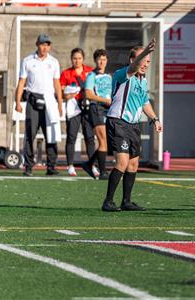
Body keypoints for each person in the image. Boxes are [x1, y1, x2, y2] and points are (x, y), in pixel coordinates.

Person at [102, 39, 162, 212]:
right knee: (122, 161)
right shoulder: (123, 74)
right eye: (143, 60)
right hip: (118, 122)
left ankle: (126, 201)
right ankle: (108, 201)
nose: (145, 64)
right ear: (133, 60)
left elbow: (144, 103)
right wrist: (144, 54)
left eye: (148, 61)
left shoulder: (142, 82)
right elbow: (134, 67)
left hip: (133, 125)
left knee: (133, 165)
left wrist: (155, 119)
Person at [15, 34, 63, 176]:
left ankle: (51, 167)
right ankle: (28, 167)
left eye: (47, 44)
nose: (44, 47)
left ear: (49, 46)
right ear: (37, 44)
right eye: (42, 44)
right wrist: (18, 102)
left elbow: (57, 84)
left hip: (49, 100)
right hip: (33, 100)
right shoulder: (28, 61)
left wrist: (59, 103)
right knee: (30, 133)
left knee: (51, 133)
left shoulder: (54, 62)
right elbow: (22, 82)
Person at [60, 48, 96, 178]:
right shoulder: (66, 73)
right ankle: (70, 165)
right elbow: (61, 91)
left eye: (79, 58)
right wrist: (67, 95)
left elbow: (94, 88)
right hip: (73, 108)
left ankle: (92, 165)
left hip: (87, 107)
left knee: (90, 137)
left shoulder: (90, 72)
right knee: (71, 136)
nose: (77, 61)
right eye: (75, 58)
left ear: (83, 59)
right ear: (71, 59)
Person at [84, 49, 112, 180]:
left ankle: (89, 164)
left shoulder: (109, 76)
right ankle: (103, 172)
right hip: (96, 108)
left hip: (107, 109)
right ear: (95, 60)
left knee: (105, 142)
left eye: (104, 59)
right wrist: (105, 100)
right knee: (102, 141)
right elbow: (89, 94)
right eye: (99, 59)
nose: (102, 62)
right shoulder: (91, 75)